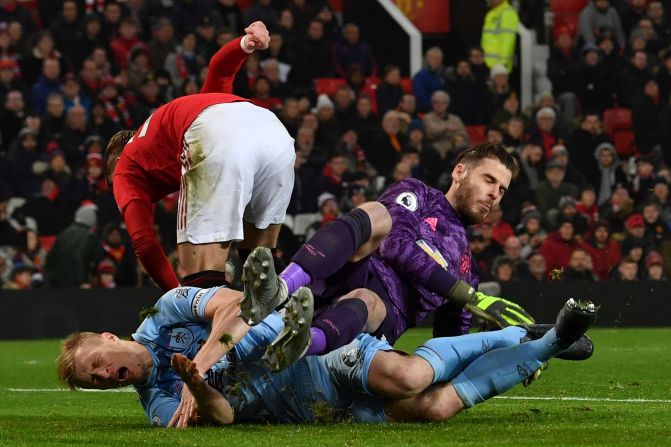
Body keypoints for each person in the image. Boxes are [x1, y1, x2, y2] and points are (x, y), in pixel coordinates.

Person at [57, 284, 597, 427]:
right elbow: (219, 418)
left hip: (313, 356)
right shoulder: (157, 405)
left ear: (106, 336)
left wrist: (201, 365)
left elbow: (233, 304)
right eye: (97, 381)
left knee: (405, 375)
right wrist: (198, 390)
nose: (106, 375)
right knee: (431, 409)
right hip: (311, 405)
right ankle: (538, 341)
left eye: (96, 364)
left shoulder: (167, 310)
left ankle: (528, 338)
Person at [240, 143, 534, 371]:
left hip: (380, 316)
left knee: (367, 300)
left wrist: (498, 350)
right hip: (345, 271)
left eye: (502, 189)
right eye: (489, 180)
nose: (495, 194)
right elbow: (394, 244)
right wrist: (461, 292)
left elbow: (451, 341)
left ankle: (302, 343)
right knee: (377, 214)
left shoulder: (467, 266)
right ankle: (280, 287)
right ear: (460, 172)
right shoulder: (418, 194)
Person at [103, 22, 295, 291]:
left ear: (114, 163)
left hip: (214, 137)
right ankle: (289, 309)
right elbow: (220, 71)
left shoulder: (125, 167)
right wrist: (245, 43)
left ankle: (208, 324)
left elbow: (144, 243)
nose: (117, 195)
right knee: (259, 256)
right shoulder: (181, 117)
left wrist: (178, 296)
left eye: (111, 184)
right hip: (274, 131)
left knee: (201, 272)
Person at [481, 0, 519, 72]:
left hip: (499, 67)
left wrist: (502, 64)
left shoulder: (508, 13)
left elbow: (507, 41)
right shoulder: (491, 13)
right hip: (488, 64)